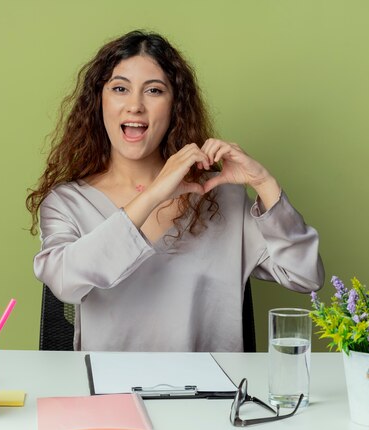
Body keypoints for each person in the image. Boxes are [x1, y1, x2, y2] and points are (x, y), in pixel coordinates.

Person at [26, 30, 324, 352]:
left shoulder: (221, 197)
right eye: (120, 89)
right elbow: (64, 282)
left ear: (174, 107)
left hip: (210, 397)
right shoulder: (67, 203)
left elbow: (305, 276)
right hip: (113, 396)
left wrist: (265, 184)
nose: (135, 106)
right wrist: (154, 194)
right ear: (100, 100)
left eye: (154, 90)